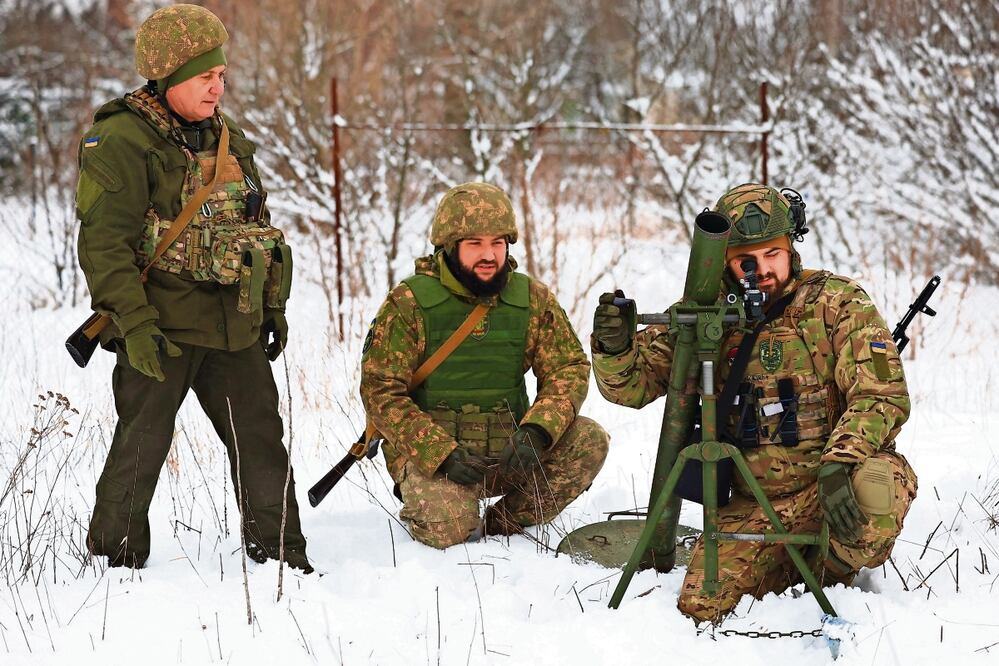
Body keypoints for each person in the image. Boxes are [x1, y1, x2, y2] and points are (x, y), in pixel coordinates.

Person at [591, 183, 917, 622]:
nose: (761, 270)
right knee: (700, 605)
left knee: (878, 485)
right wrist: (613, 347)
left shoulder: (835, 303)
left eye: (772, 255)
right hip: (750, 503)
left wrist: (841, 460)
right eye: (746, 261)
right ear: (726, 262)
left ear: (790, 248)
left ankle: (832, 565)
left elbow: (882, 395)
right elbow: (629, 388)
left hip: (825, 485)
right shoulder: (706, 313)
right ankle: (787, 564)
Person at [76, 4, 309, 571]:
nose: (218, 87)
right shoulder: (121, 140)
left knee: (260, 440)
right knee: (142, 442)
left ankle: (281, 557)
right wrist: (134, 326)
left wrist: (270, 305)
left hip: (234, 324)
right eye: (205, 77)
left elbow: (254, 228)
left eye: (221, 76)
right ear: (168, 74)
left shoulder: (229, 138)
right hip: (160, 326)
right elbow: (104, 247)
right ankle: (116, 562)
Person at [360, 182, 609, 548]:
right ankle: (447, 507)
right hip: (440, 460)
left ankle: (505, 521)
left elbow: (568, 369)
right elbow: (380, 391)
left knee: (589, 440)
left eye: (498, 243)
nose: (489, 255)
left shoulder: (532, 299)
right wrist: (438, 452)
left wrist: (538, 431)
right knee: (448, 530)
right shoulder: (409, 303)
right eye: (475, 244)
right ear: (449, 246)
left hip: (511, 452)